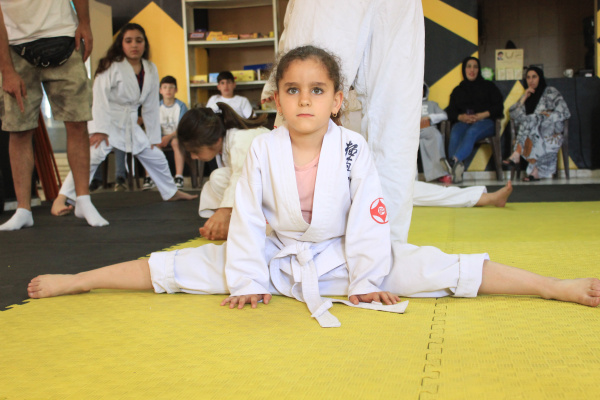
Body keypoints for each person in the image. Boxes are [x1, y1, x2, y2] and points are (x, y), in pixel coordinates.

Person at [28, 46, 600, 331]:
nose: (305, 100)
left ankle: (554, 286)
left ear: (336, 99)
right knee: (175, 267)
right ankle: (79, 280)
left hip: (348, 257)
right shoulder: (262, 149)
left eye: (317, 90)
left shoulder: (353, 149)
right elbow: (248, 219)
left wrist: (368, 280)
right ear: (276, 97)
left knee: (439, 267)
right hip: (273, 256)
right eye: (293, 90)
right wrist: (248, 279)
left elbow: (369, 218)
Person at [261, 0, 425, 244]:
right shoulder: (260, 150)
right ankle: (292, 238)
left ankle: (386, 246)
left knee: (396, 125)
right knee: (307, 84)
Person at [51, 23, 197, 220]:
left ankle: (171, 192)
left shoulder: (150, 68)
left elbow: (151, 105)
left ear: (145, 44)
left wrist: (153, 137)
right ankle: (62, 198)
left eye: (139, 40)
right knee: (91, 157)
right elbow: (99, 97)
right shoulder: (110, 65)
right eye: (128, 41)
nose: (134, 45)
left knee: (155, 156)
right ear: (121, 44)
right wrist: (99, 129)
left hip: (130, 122)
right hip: (108, 119)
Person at [0, 0, 105, 230]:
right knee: (18, 129)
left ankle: (83, 200)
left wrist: (85, 22)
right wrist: (6, 70)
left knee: (77, 121)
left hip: (63, 34)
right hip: (15, 44)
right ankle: (23, 209)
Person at [176, 104, 268, 241]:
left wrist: (224, 211)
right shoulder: (227, 141)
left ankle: (250, 225)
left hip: (287, 193)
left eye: (195, 151)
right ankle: (233, 225)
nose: (193, 157)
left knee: (226, 179)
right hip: (264, 189)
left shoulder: (240, 138)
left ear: (216, 140)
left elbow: (243, 177)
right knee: (218, 178)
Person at [504, 67, 571, 182]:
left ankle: (517, 153)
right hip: (531, 132)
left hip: (551, 130)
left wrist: (546, 116)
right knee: (531, 125)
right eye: (528, 77)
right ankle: (535, 172)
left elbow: (565, 112)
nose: (531, 80)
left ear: (540, 77)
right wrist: (524, 97)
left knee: (532, 119)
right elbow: (513, 115)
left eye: (534, 77)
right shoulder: (527, 95)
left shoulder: (551, 92)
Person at [445, 57, 503, 184]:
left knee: (472, 131)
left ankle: (453, 162)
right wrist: (461, 117)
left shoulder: (488, 86)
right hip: (465, 122)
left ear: (479, 69)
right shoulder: (458, 90)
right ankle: (456, 172)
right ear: (464, 69)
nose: (472, 70)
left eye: (475, 67)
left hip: (486, 122)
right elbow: (450, 111)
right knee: (455, 131)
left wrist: (481, 115)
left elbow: (499, 106)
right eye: (469, 66)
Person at [143, 75, 189, 190]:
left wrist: (168, 137)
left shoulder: (181, 106)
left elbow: (182, 128)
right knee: (150, 144)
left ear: (176, 90)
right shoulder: (156, 107)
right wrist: (158, 138)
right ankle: (150, 177)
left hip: (176, 135)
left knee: (176, 142)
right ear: (160, 90)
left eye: (171, 87)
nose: (168, 90)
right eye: (165, 87)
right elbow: (153, 127)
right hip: (160, 136)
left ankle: (178, 177)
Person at [420, 83, 452, 184]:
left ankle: (441, 173)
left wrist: (430, 117)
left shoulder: (432, 104)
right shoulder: (407, 105)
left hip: (428, 129)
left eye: (421, 88)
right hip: (411, 131)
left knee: (435, 135)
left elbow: (444, 115)